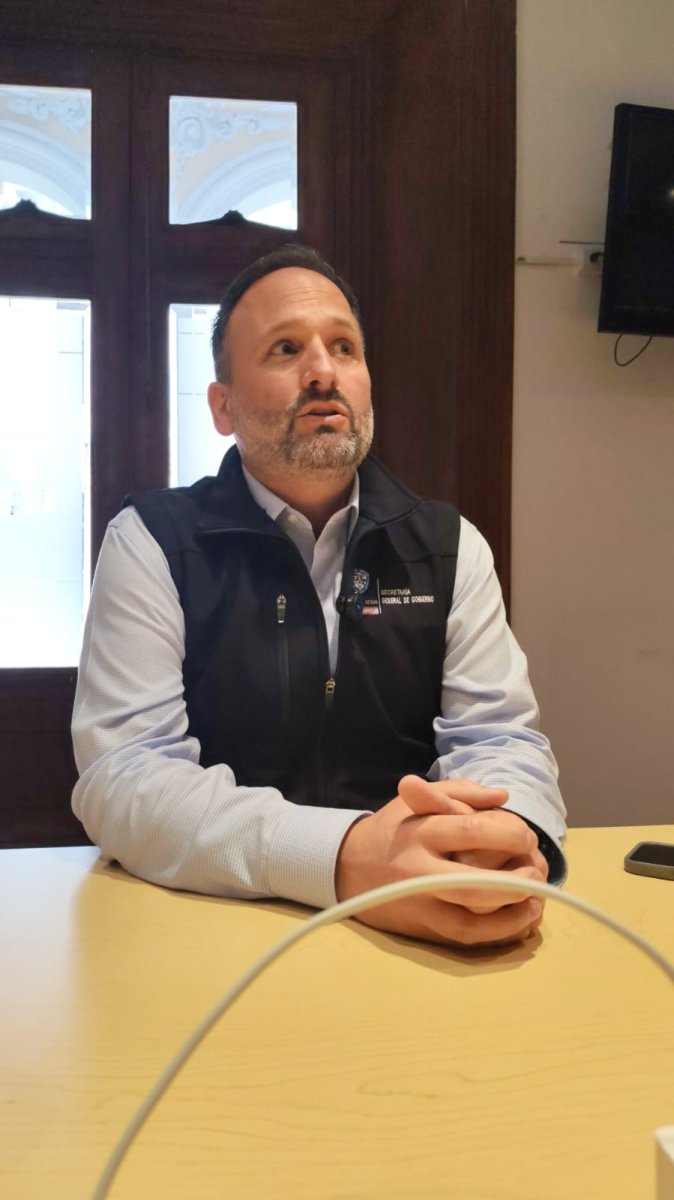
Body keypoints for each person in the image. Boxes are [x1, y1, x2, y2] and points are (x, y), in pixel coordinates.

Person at [72, 244, 566, 949]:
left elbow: (499, 739)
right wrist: (344, 857)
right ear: (222, 406)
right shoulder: (153, 540)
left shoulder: (448, 546)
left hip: (420, 924)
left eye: (344, 348)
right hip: (214, 930)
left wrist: (502, 841)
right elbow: (126, 777)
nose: (324, 372)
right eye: (285, 349)